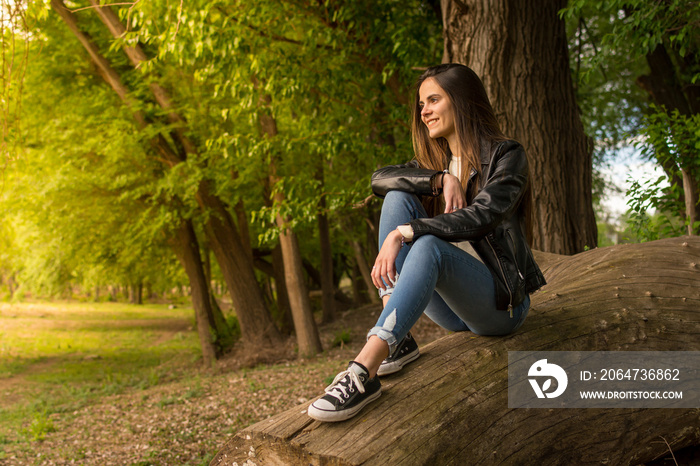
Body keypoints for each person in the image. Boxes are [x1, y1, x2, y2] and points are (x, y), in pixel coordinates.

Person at [307, 64, 546, 422]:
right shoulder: (434, 164)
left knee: (426, 244)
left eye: (433, 100)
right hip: (453, 311)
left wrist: (406, 231)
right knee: (395, 197)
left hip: (500, 306)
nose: (424, 111)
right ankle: (396, 340)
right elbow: (379, 180)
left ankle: (361, 373)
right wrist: (439, 179)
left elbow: (484, 215)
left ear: (462, 101)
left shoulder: (506, 156)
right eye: (421, 104)